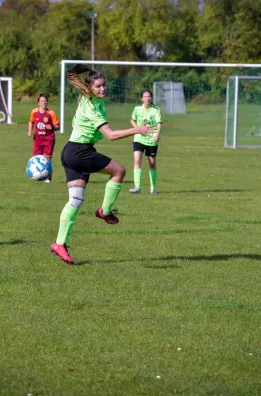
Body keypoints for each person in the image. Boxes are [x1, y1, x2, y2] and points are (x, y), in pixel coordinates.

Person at [49, 64, 153, 264]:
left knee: (76, 200)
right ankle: (104, 212)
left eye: (104, 85)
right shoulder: (90, 105)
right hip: (80, 152)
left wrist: (86, 68)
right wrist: (137, 130)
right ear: (90, 88)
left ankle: (59, 244)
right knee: (119, 171)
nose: (102, 89)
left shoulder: (88, 97)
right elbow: (111, 135)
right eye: (98, 86)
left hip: (70, 151)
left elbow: (72, 74)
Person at [128, 89, 162, 194]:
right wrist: (137, 129)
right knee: (137, 161)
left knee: (152, 164)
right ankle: (137, 187)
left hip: (151, 140)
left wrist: (157, 134)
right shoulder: (137, 109)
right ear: (142, 98)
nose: (147, 98)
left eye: (149, 96)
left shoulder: (155, 110)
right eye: (145, 97)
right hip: (139, 139)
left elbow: (159, 123)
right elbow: (132, 120)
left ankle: (153, 188)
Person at [27, 93, 60, 183]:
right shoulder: (34, 112)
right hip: (37, 139)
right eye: (41, 101)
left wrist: (52, 127)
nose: (44, 103)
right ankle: (37, 176)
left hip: (49, 139)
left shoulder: (51, 113)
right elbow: (31, 121)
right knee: (36, 159)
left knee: (47, 159)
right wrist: (30, 131)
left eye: (45, 101)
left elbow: (58, 126)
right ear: (38, 103)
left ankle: (48, 179)